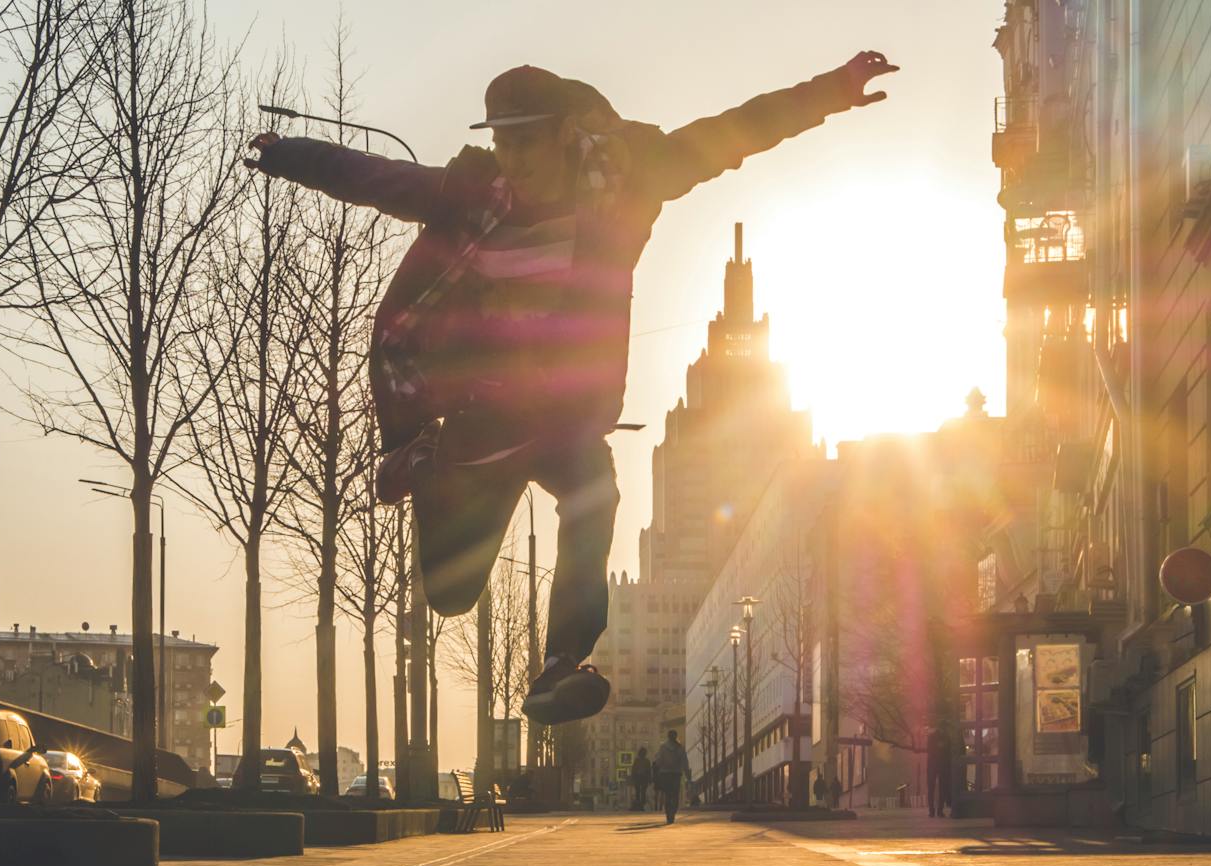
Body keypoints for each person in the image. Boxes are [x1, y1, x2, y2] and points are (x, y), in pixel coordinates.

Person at [248, 53, 899, 727]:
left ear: (564, 133)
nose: (513, 160)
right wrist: (285, 153)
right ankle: (425, 464)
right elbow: (371, 176)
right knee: (450, 595)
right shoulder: (472, 195)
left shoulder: (626, 182)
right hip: (483, 413)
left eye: (526, 142)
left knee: (596, 490)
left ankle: (561, 662)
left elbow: (731, 135)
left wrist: (834, 90)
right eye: (502, 143)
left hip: (563, 418)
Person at [652, 730, 690, 824]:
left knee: (668, 795)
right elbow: (684, 761)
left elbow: (659, 760)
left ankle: (669, 814)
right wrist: (687, 773)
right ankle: (673, 811)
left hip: (665, 774)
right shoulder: (680, 747)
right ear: (676, 736)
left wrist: (657, 766)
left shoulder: (663, 747)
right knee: (675, 794)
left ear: (668, 737)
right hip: (676, 774)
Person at [925, 723, 954, 818]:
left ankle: (933, 811)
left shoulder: (933, 736)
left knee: (933, 788)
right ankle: (938, 811)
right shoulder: (946, 737)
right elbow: (948, 752)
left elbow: (930, 750)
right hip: (941, 764)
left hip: (934, 764)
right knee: (940, 788)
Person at [629, 746, 652, 811]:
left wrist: (633, 778)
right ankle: (641, 805)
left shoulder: (637, 760)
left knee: (638, 792)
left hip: (638, 779)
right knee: (642, 792)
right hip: (643, 779)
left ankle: (639, 805)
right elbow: (649, 771)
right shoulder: (646, 761)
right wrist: (650, 779)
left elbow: (633, 770)